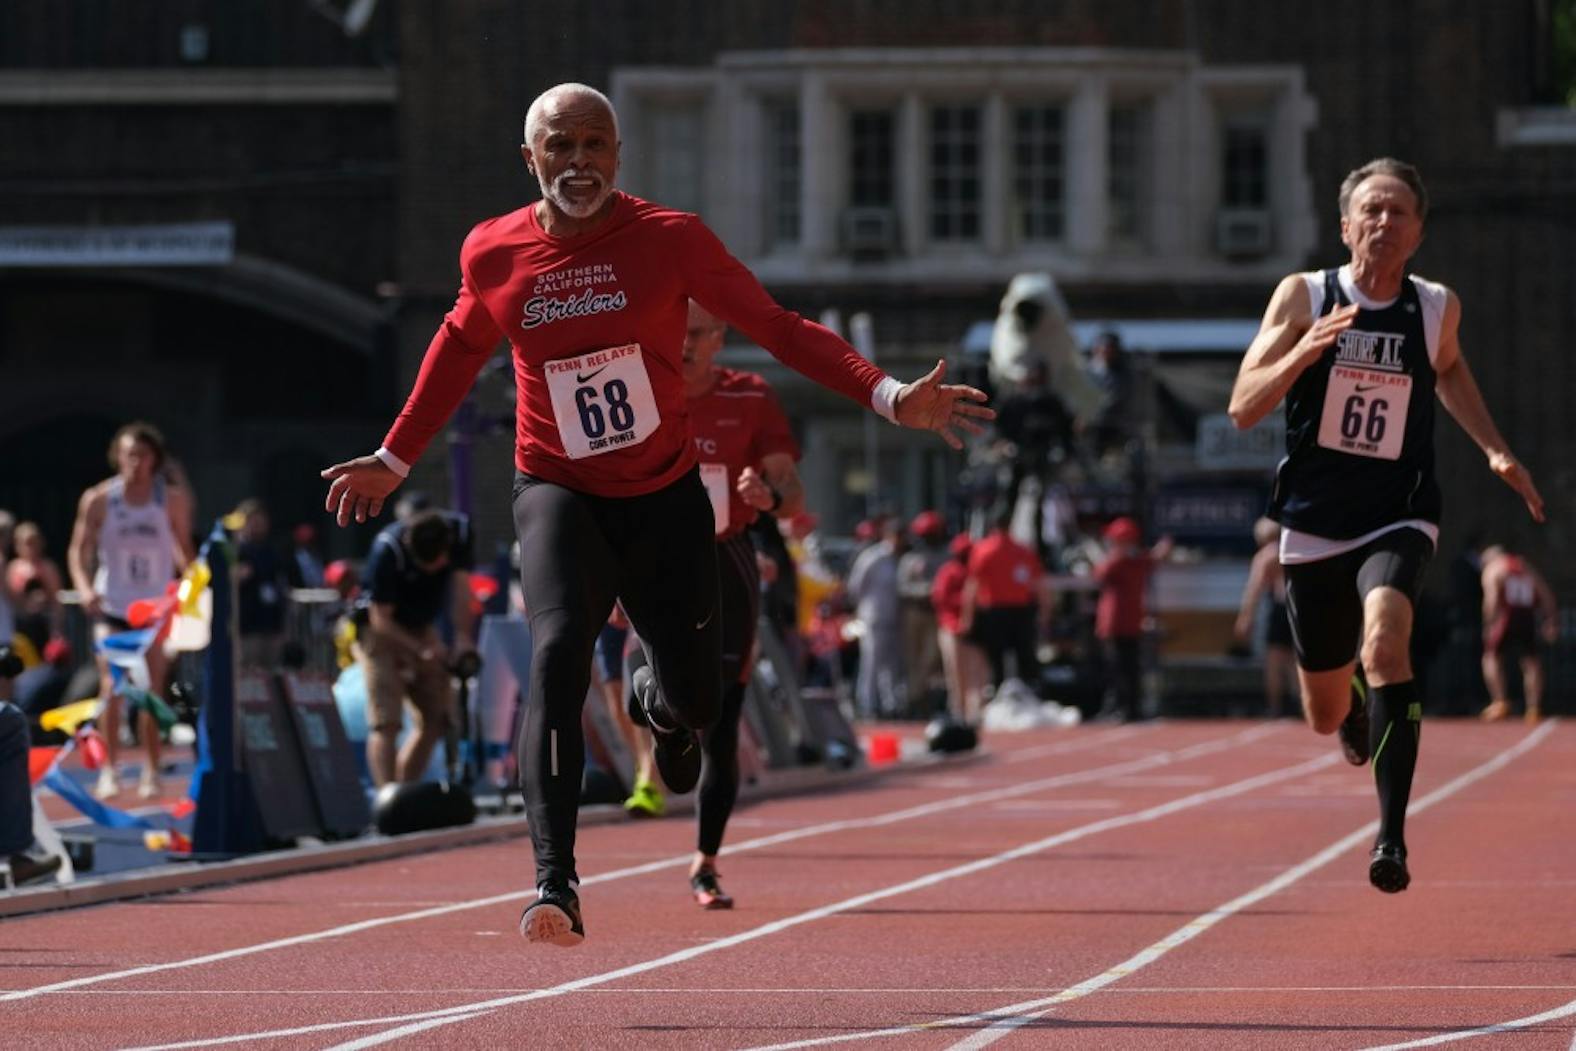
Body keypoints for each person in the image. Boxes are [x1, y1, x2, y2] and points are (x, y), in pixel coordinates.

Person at [319, 82, 991, 948]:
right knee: (557, 655)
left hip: (665, 496)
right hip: (558, 487)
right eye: (560, 146)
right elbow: (455, 346)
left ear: (620, 155)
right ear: (531, 160)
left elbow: (778, 327)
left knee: (698, 700)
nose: (579, 162)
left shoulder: (671, 240)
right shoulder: (494, 251)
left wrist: (890, 395)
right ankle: (553, 882)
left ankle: (659, 703)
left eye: (596, 144)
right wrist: (394, 455)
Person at [1227, 157, 1545, 894]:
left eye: (1398, 212)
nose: (1383, 222)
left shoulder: (1435, 307)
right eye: (1370, 210)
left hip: (1398, 513)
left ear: (1420, 231)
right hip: (1311, 522)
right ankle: (1354, 707)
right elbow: (1243, 405)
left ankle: (1391, 838)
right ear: (1345, 225)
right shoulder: (1305, 295)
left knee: (1386, 641)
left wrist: (1496, 449)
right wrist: (1303, 352)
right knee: (1323, 711)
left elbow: (1452, 368)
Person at [624, 298, 806, 909]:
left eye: (697, 334)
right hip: (652, 559)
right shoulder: (636, 387)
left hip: (725, 558)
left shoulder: (751, 397)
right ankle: (651, 699)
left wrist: (769, 494)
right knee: (654, 679)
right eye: (674, 332)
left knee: (723, 720)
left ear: (719, 337)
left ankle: (705, 862)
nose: (684, 345)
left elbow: (791, 492)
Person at [67, 422, 194, 800]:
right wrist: (85, 588)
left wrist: (192, 590)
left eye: (142, 455)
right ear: (117, 457)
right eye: (128, 455)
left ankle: (151, 769)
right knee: (112, 685)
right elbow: (79, 550)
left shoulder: (170, 499)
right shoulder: (100, 499)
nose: (135, 463)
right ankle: (110, 769)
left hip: (154, 609)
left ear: (155, 459)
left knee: (150, 690)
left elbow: (183, 548)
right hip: (113, 605)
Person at [359, 508, 477, 787]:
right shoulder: (387, 550)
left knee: (438, 717)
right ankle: (387, 798)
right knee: (386, 721)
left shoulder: (459, 534)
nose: (435, 570)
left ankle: (405, 791)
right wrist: (418, 649)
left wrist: (462, 637)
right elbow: (380, 619)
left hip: (423, 627)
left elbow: (462, 589)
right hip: (381, 631)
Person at [961, 507, 1050, 695]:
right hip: (1021, 612)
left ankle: (999, 693)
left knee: (997, 660)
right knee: (1024, 657)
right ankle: (1029, 693)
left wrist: (967, 617)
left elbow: (972, 587)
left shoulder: (984, 550)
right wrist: (1044, 613)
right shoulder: (1023, 551)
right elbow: (1040, 586)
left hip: (995, 612)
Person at [1093, 517, 1173, 722]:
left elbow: (1154, 559)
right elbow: (1100, 574)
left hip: (1124, 623)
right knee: (1119, 669)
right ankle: (1122, 707)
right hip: (1116, 624)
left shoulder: (1132, 561)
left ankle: (1129, 708)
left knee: (1127, 669)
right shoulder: (1123, 561)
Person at [1478, 545, 1556, 723]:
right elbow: (1545, 593)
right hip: (1526, 615)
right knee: (1531, 662)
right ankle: (1534, 707)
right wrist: (1550, 618)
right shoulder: (1524, 566)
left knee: (1491, 656)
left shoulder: (1494, 568)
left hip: (1506, 615)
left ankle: (1499, 701)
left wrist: (1488, 622)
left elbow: (1491, 598)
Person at [847, 518, 908, 719]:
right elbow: (855, 586)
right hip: (873, 616)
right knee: (872, 661)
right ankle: (867, 703)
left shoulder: (899, 558)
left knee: (892, 664)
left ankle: (890, 704)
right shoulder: (873, 557)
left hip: (894, 617)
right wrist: (860, 610)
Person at [1235, 517, 1296, 718]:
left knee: (1274, 660)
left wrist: (1246, 617)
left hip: (1280, 608)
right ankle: (1302, 704)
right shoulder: (1292, 549)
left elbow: (1254, 588)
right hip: (1297, 608)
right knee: (1295, 660)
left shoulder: (1266, 556)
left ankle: (1275, 706)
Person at [932, 533, 988, 725]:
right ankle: (959, 711)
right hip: (952, 628)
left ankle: (976, 712)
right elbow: (941, 599)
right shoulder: (949, 572)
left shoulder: (977, 571)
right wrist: (963, 611)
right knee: (956, 672)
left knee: (977, 673)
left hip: (975, 630)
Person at [898, 511, 950, 712]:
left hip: (935, 614)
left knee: (931, 658)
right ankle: (914, 700)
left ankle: (924, 697)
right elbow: (902, 587)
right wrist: (926, 590)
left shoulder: (946, 556)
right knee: (912, 658)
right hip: (914, 612)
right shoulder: (910, 559)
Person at [232, 500, 289, 669]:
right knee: (248, 672)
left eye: (261, 520)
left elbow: (279, 583)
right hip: (247, 627)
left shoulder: (271, 552)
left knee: (270, 672)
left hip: (271, 624)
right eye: (253, 521)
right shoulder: (236, 550)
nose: (258, 525)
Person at [6, 522, 65, 640]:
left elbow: (56, 602)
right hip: (19, 626)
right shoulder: (12, 568)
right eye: (27, 543)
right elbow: (9, 598)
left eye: (34, 542)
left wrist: (56, 630)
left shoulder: (48, 568)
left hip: (43, 625)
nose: (31, 547)